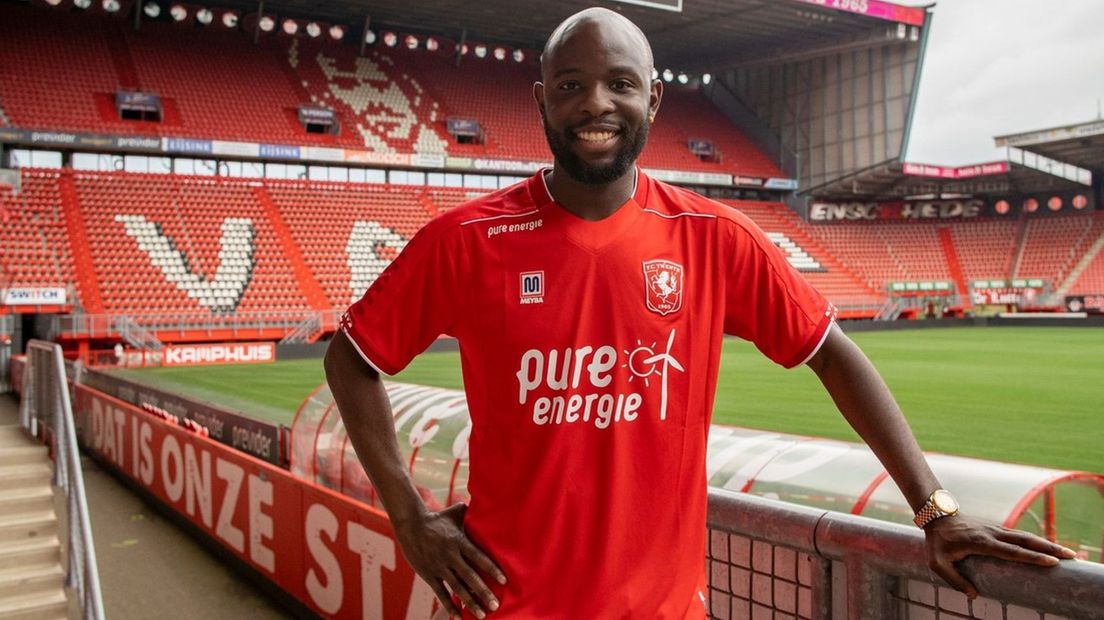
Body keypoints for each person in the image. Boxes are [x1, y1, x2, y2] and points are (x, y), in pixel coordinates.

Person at [324, 8, 1074, 619]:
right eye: (572, 84)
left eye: (620, 83)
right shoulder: (468, 240)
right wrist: (409, 515)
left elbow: (832, 352)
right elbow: (351, 358)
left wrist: (936, 510)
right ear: (543, 98)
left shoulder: (715, 239)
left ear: (651, 99)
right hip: (511, 609)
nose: (596, 104)